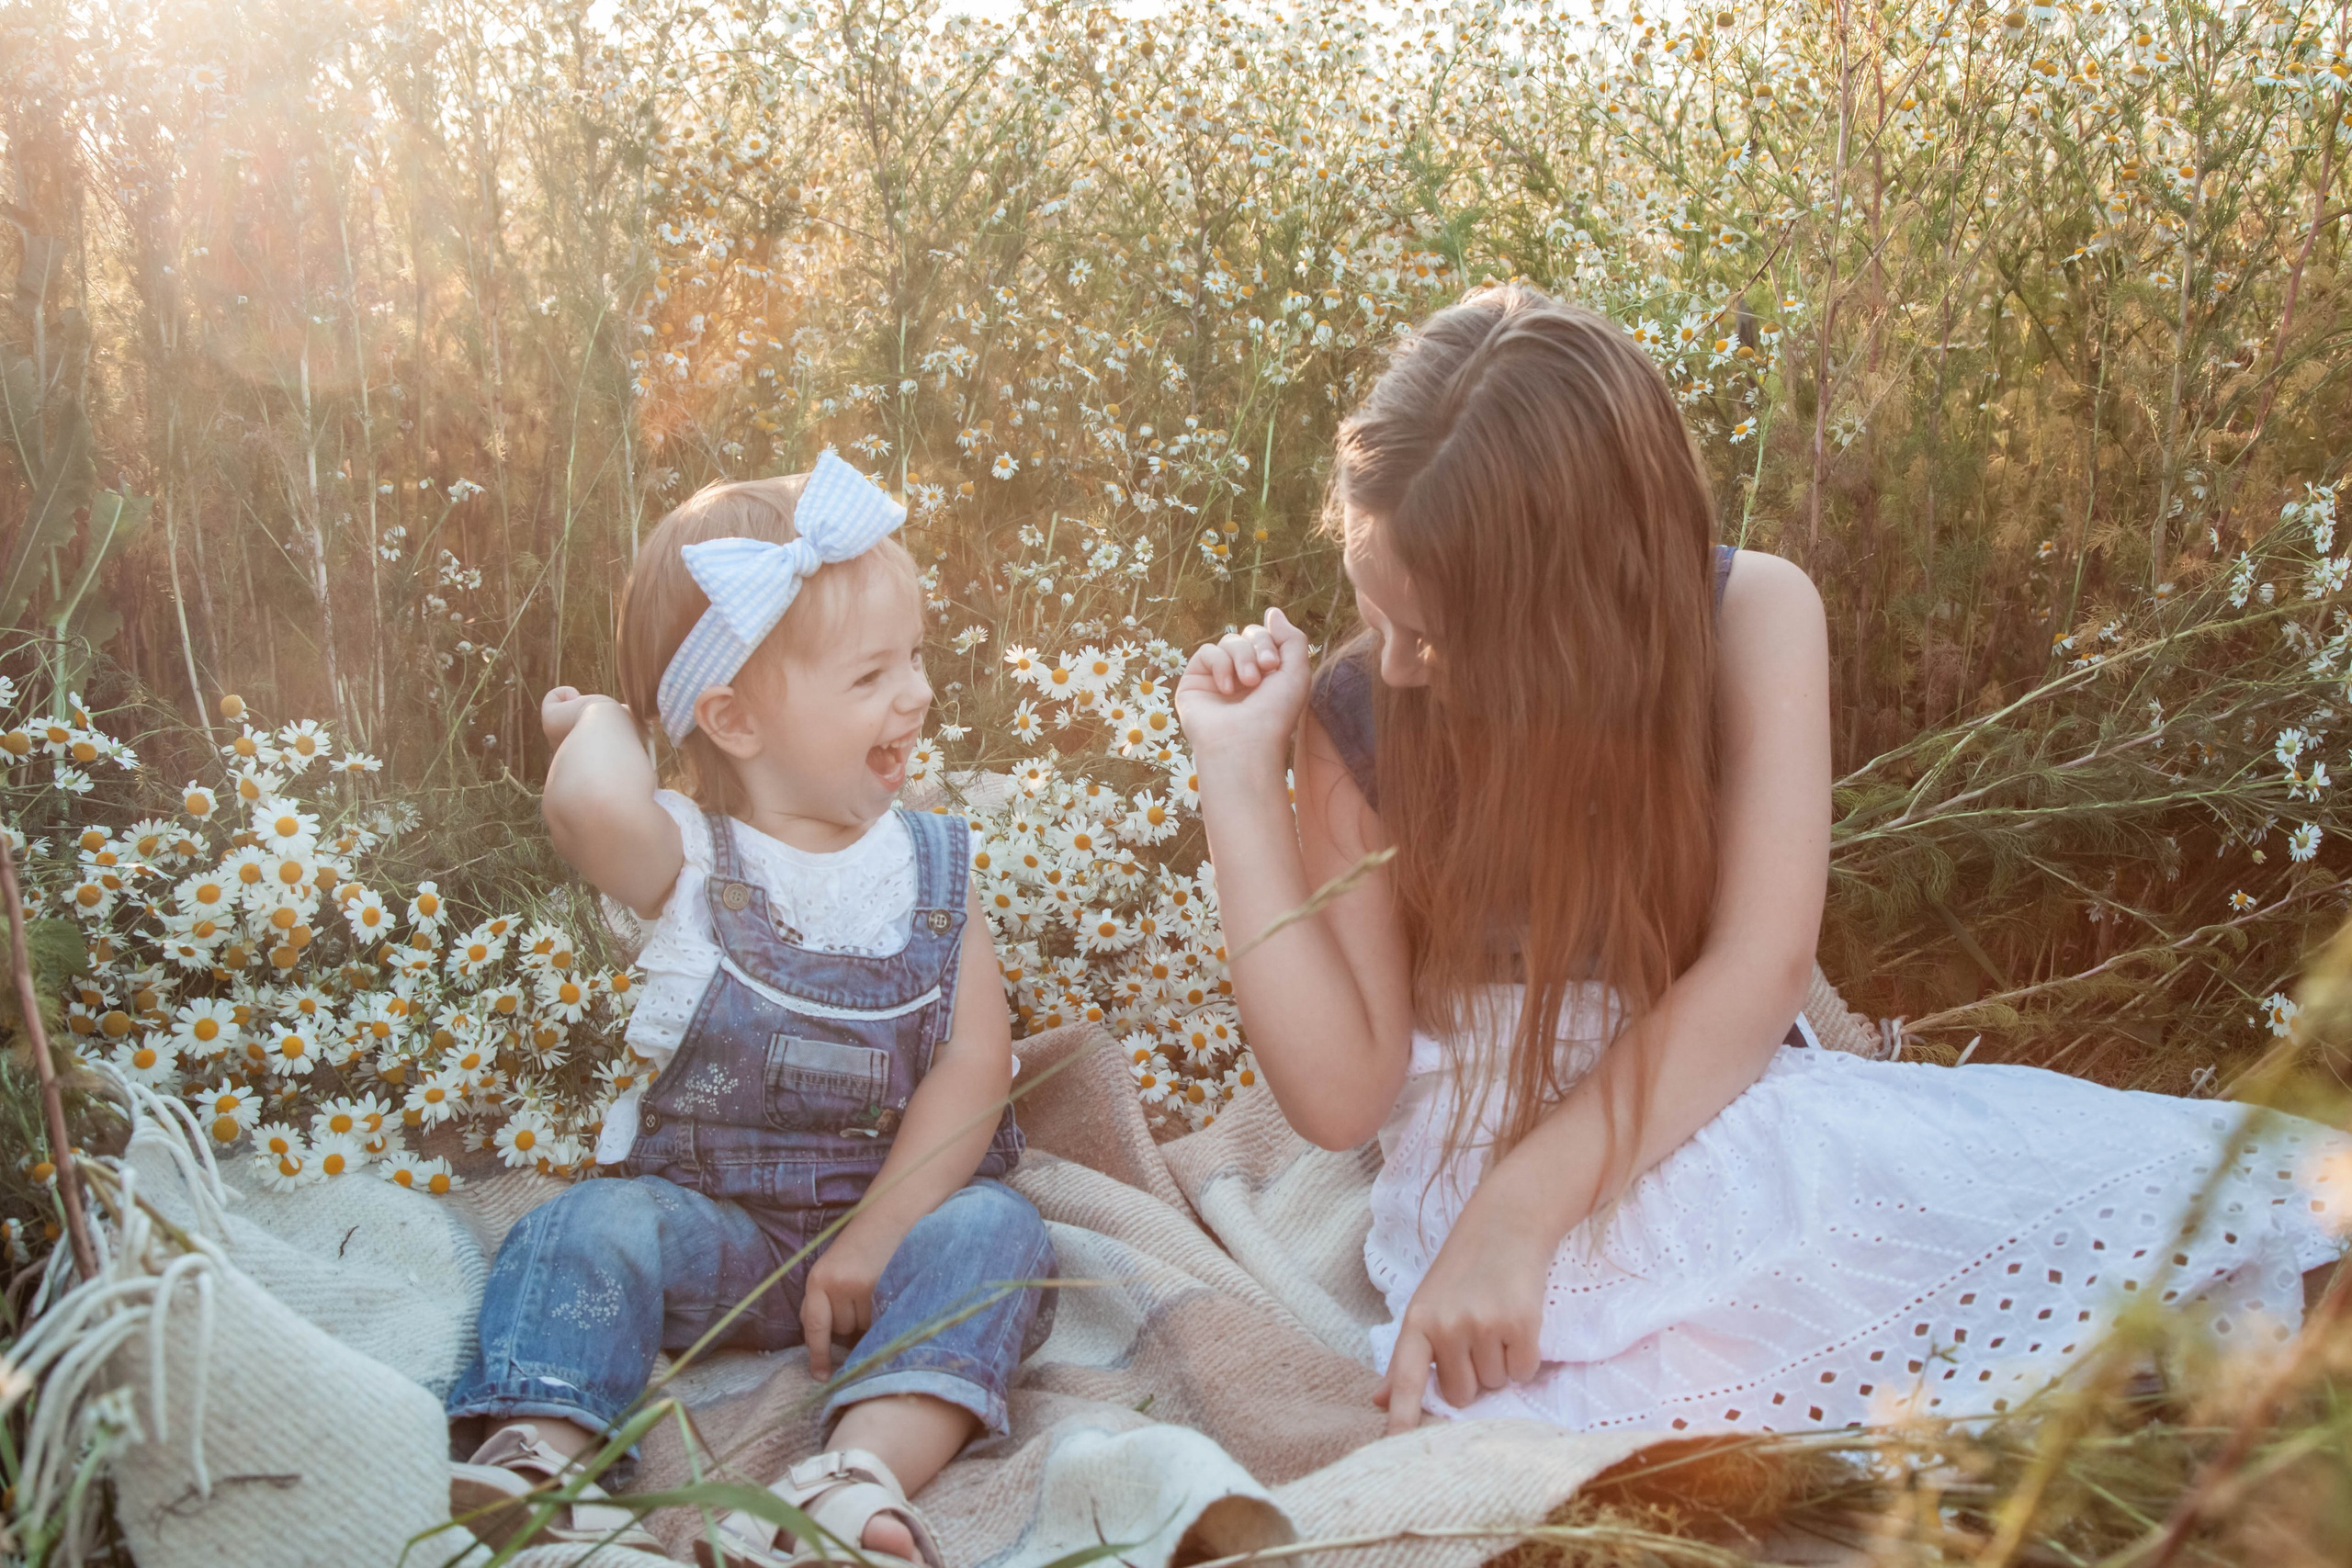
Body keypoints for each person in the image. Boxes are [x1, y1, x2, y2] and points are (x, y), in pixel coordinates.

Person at [1173, 283, 2352, 1438]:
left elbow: (1756, 975)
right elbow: (1339, 1098)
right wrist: (1236, 774)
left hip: (1698, 1092)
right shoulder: (1358, 712)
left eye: (1432, 634)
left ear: (1580, 612)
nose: (1397, 664)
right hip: (1465, 1151)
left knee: (2129, 1184)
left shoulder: (1750, 614)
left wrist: (1524, 1208)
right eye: (1376, 612)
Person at [443, 452, 1056, 1566]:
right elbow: (585, 803)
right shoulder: (684, 857)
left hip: (895, 1225)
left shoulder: (932, 864)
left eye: (914, 657)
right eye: (872, 675)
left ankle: (854, 1477)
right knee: (586, 1225)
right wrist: (593, 725)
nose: (916, 694)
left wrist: (876, 1237)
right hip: (712, 1234)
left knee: (1002, 1233)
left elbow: (975, 1068)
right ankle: (542, 1445)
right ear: (730, 718)